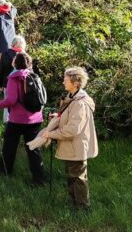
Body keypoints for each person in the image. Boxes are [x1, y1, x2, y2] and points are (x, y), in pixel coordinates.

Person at [42, 66, 98, 211]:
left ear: (75, 83)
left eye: (65, 80)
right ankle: (74, 203)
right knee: (72, 176)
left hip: (77, 147)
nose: (63, 82)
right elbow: (70, 119)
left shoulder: (79, 103)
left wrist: (50, 134)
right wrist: (58, 118)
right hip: (72, 146)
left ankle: (83, 208)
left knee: (78, 178)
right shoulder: (73, 98)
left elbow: (72, 130)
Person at [0, 52, 46, 185]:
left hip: (18, 120)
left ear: (14, 63)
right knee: (33, 148)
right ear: (29, 63)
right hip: (36, 119)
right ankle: (39, 179)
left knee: (9, 146)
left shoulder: (14, 77)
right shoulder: (34, 76)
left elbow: (11, 100)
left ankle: (4, 171)